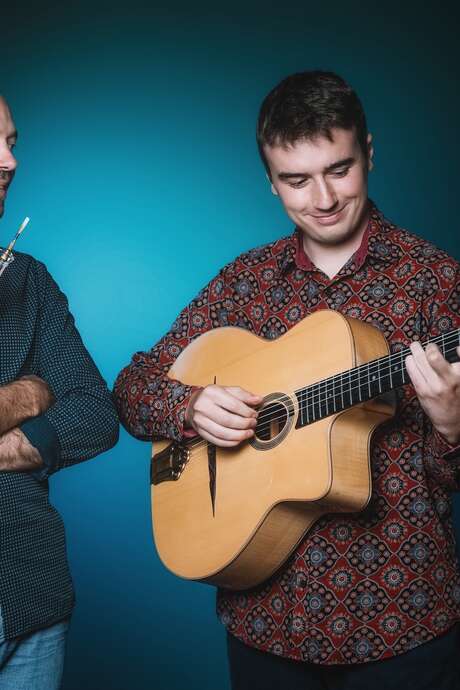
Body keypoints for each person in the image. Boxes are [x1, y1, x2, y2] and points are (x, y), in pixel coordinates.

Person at [114, 71, 460, 688]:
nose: (323, 198)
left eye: (339, 169)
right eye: (296, 181)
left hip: (400, 620)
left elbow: (448, 481)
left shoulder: (435, 282)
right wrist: (191, 407)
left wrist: (452, 424)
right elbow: (133, 386)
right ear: (269, 182)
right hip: (266, 619)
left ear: (370, 153)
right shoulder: (245, 282)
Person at [0, 94, 119, 689]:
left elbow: (96, 413)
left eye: (12, 142)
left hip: (31, 597)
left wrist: (9, 442)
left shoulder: (29, 280)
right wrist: (26, 392)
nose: (8, 162)